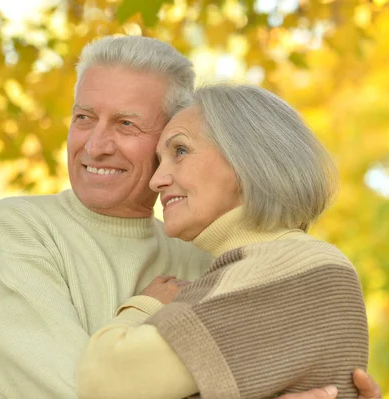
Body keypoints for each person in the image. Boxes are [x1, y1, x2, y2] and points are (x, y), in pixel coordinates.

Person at [0, 35, 382, 398]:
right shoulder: (15, 231)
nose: (96, 144)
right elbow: (80, 393)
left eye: (125, 124)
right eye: (84, 118)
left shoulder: (211, 256)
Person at [76, 84, 370, 398]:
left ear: (249, 159)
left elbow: (103, 381)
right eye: (160, 161)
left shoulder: (287, 268)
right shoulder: (253, 269)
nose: (156, 180)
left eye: (180, 151)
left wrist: (146, 305)